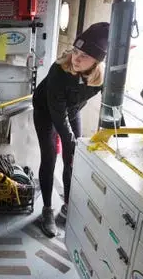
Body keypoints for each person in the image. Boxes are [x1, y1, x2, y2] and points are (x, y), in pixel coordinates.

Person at [32, 22, 109, 238]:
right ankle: (47, 211)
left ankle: (67, 205)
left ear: (97, 61)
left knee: (72, 159)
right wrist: (70, 140)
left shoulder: (102, 77)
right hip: (47, 112)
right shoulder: (59, 69)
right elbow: (57, 113)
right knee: (49, 158)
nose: (76, 58)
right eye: (75, 51)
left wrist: (115, 130)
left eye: (84, 55)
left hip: (73, 110)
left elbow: (112, 103)